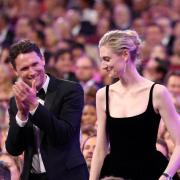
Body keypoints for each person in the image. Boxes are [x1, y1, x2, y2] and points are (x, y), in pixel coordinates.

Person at [90, 30, 180, 180]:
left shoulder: (157, 92)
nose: (103, 66)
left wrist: (166, 175)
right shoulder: (103, 95)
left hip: (150, 173)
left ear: (125, 55)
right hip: (114, 174)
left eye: (106, 59)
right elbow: (100, 149)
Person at [5, 40, 89, 180]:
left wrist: (34, 106)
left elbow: (64, 134)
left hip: (67, 175)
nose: (32, 72)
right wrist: (22, 114)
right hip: (32, 176)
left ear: (43, 60)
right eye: (25, 68)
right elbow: (14, 148)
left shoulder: (70, 90)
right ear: (15, 71)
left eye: (35, 64)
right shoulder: (16, 102)